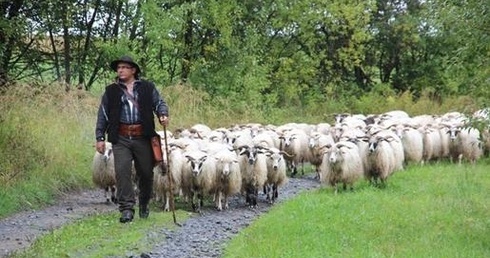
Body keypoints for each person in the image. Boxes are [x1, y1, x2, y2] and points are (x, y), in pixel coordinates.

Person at [95, 55, 169, 223]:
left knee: (145, 173)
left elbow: (159, 103)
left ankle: (144, 202)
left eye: (124, 67)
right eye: (118, 68)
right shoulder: (111, 91)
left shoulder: (147, 88)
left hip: (142, 136)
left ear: (133, 70)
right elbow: (103, 114)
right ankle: (126, 209)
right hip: (120, 137)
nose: (120, 70)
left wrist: (162, 114)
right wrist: (100, 137)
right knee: (122, 172)